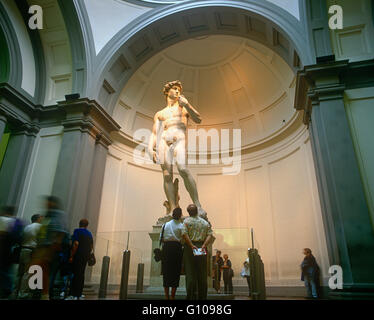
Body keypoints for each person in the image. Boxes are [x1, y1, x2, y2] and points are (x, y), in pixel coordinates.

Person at [148, 80, 207, 219]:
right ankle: (173, 209)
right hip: (163, 141)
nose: (177, 91)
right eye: (174, 89)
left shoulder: (184, 108)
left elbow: (198, 119)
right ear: (167, 91)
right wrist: (150, 148)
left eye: (179, 89)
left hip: (179, 139)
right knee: (167, 174)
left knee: (183, 169)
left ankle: (198, 205)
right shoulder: (160, 113)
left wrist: (187, 104)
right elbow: (155, 133)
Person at [31, 196, 67, 300]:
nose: (46, 204)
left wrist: (51, 250)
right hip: (42, 248)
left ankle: (44, 295)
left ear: (52, 203)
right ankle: (38, 294)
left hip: (49, 249)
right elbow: (43, 232)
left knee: (45, 273)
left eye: (48, 202)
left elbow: (60, 232)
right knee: (38, 271)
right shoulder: (47, 216)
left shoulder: (58, 215)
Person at [181, 204, 213, 300]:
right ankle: (202, 296)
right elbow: (210, 235)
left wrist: (191, 245)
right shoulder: (204, 222)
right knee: (202, 273)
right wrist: (204, 245)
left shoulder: (186, 221)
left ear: (188, 212)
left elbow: (184, 234)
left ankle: (191, 296)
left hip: (190, 248)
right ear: (197, 211)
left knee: (190, 273)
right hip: (201, 247)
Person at [16, 214, 42, 299]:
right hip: (32, 250)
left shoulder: (27, 227)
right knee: (28, 273)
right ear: (38, 219)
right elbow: (41, 240)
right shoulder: (40, 227)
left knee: (20, 273)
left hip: (23, 249)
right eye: (41, 217)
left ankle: (15, 292)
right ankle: (23, 294)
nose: (42, 218)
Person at [160, 207, 184, 300]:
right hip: (177, 249)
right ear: (181, 215)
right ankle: (172, 296)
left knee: (166, 272)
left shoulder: (165, 225)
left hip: (166, 248)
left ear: (172, 214)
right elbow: (182, 240)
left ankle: (166, 296)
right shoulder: (182, 226)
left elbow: (161, 239)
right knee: (175, 273)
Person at [66, 218, 93, 300]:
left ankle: (72, 294)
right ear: (87, 225)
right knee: (81, 275)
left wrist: (71, 256)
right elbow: (91, 246)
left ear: (79, 224)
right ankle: (79, 294)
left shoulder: (77, 231)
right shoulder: (89, 233)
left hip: (78, 256)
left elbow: (76, 243)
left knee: (75, 274)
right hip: (85, 257)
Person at [0, 206, 23, 299]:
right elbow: (19, 237)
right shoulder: (16, 222)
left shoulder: (2, 219)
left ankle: (6, 289)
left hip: (2, 247)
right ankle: (7, 289)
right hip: (9, 249)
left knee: (3, 270)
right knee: (7, 270)